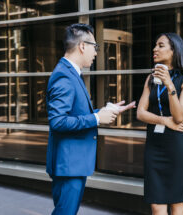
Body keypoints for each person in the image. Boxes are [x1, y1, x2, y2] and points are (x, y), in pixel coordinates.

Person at [46, 23, 135, 215]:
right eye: (95, 46)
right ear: (82, 46)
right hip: (68, 165)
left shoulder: (71, 73)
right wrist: (96, 118)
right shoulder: (64, 76)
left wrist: (103, 111)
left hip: (72, 164)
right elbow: (58, 121)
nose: (96, 52)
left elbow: (73, 114)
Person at [137, 33, 183, 215]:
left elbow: (179, 117)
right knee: (156, 203)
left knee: (176, 200)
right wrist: (164, 121)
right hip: (154, 145)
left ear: (174, 50)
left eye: (161, 45)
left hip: (175, 145)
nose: (155, 49)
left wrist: (170, 85)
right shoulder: (150, 78)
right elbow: (140, 113)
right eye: (155, 45)